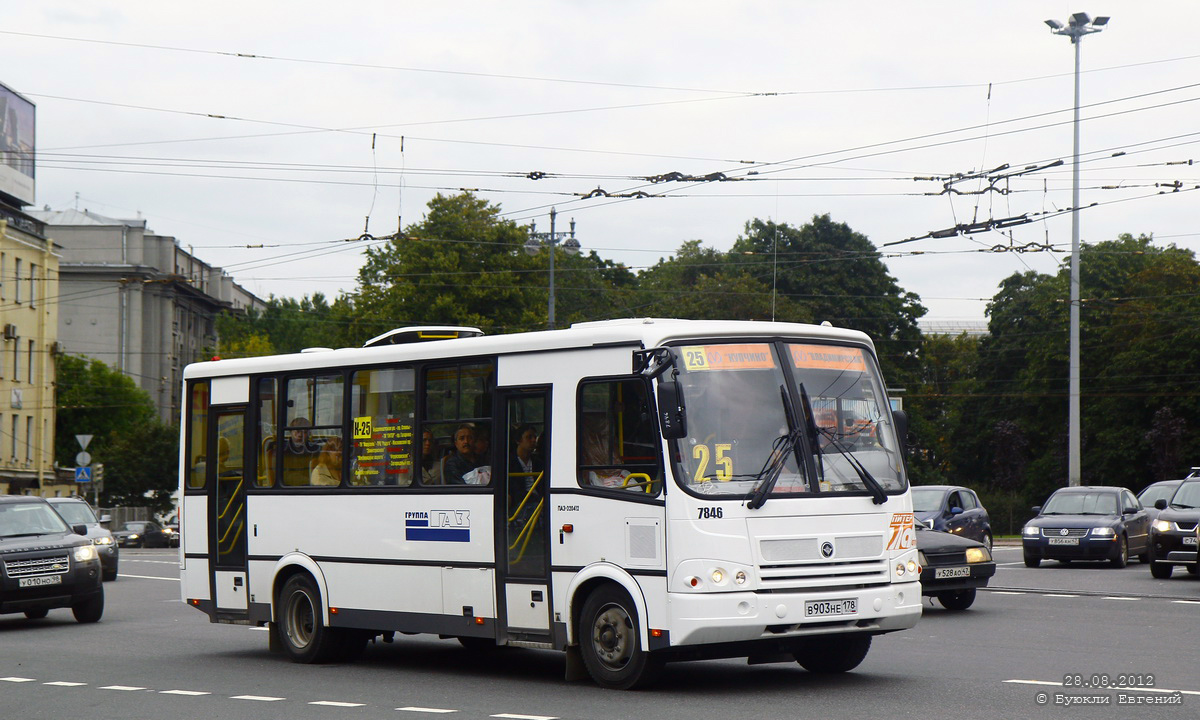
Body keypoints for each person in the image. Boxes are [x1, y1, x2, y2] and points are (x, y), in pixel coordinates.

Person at [508, 424, 544, 512]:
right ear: (518, 440)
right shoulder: (509, 463)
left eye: (535, 437)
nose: (533, 440)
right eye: (529, 437)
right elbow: (514, 490)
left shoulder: (538, 462)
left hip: (539, 501)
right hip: (520, 504)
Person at [282, 417, 319, 485]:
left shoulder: (315, 449)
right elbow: (285, 475)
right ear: (291, 432)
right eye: (297, 431)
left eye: (304, 432)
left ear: (309, 434)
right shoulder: (283, 450)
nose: (300, 435)